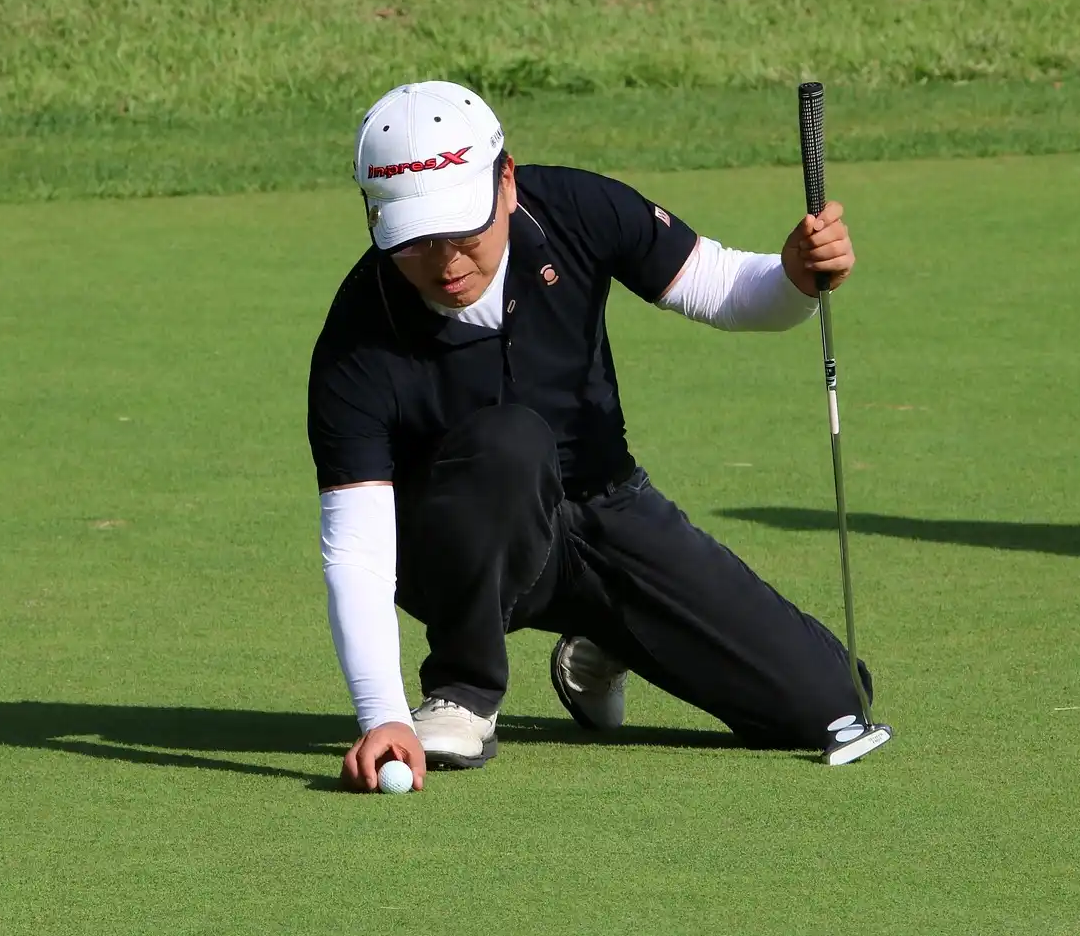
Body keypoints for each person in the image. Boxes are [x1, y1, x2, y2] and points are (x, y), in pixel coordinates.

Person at [308, 80, 886, 792]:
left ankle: (609, 636)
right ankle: (462, 690)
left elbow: (723, 287)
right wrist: (381, 715)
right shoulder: (355, 341)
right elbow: (358, 548)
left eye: (462, 230)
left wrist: (795, 278)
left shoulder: (576, 210)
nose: (446, 260)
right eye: (416, 240)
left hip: (608, 512)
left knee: (835, 702)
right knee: (511, 443)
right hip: (458, 554)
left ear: (507, 181)